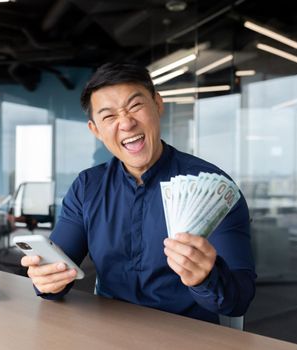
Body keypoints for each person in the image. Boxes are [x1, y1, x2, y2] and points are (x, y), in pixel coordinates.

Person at [21, 62, 256, 324]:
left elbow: (239, 300)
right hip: (108, 332)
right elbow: (57, 269)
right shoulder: (88, 186)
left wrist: (205, 277)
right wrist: (46, 282)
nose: (126, 123)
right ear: (95, 130)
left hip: (185, 334)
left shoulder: (213, 188)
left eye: (135, 106)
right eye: (109, 116)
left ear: (157, 104)